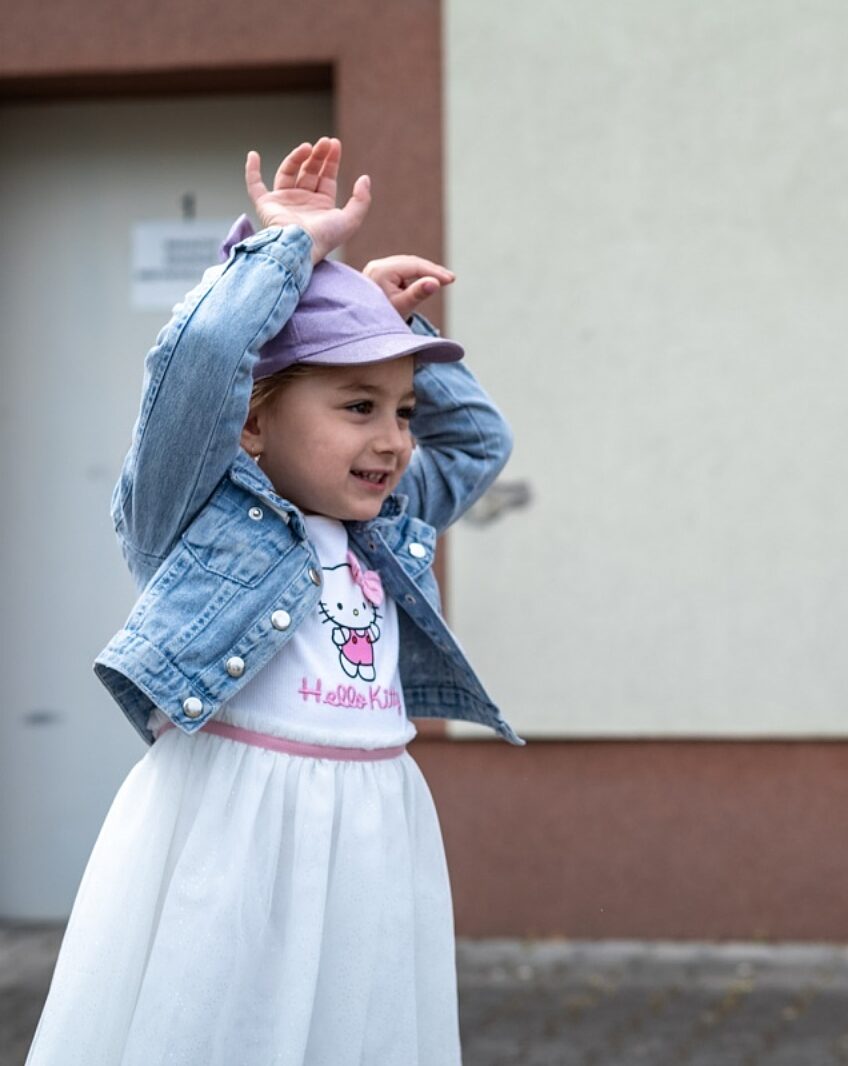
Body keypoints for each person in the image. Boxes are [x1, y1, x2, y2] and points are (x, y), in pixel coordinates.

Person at [26, 137, 519, 1065]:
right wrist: (291, 251)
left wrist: (382, 318)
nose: (394, 440)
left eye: (403, 410)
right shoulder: (195, 516)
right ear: (252, 422)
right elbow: (206, 354)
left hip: (372, 840)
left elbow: (480, 444)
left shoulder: (383, 524)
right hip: (231, 845)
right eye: (358, 406)